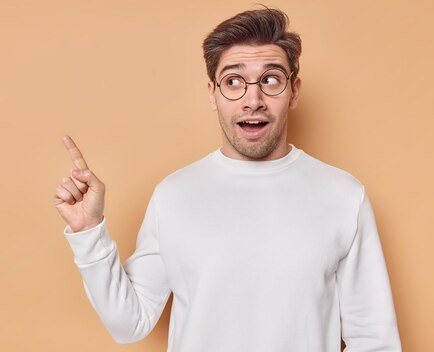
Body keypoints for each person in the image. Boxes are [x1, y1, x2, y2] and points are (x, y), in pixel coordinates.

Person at [53, 7, 402, 352]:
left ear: (293, 91)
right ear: (212, 93)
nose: (253, 100)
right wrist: (89, 231)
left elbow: (376, 340)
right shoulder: (174, 196)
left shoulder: (343, 196)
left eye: (270, 80)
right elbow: (129, 324)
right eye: (234, 81)